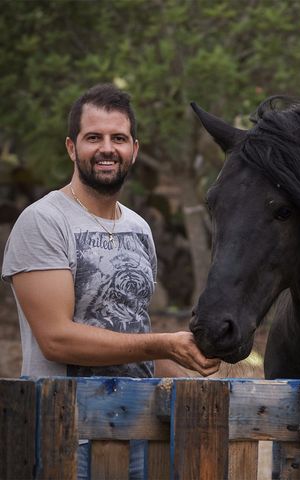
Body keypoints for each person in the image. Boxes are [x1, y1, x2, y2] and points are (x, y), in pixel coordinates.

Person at [2, 84, 220, 478]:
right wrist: (165, 344)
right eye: (93, 138)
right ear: (72, 147)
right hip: (65, 435)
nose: (107, 148)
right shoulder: (44, 221)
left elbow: (132, 333)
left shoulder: (139, 227)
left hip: (137, 432)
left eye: (118, 138)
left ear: (134, 149)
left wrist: (192, 367)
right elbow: (56, 339)